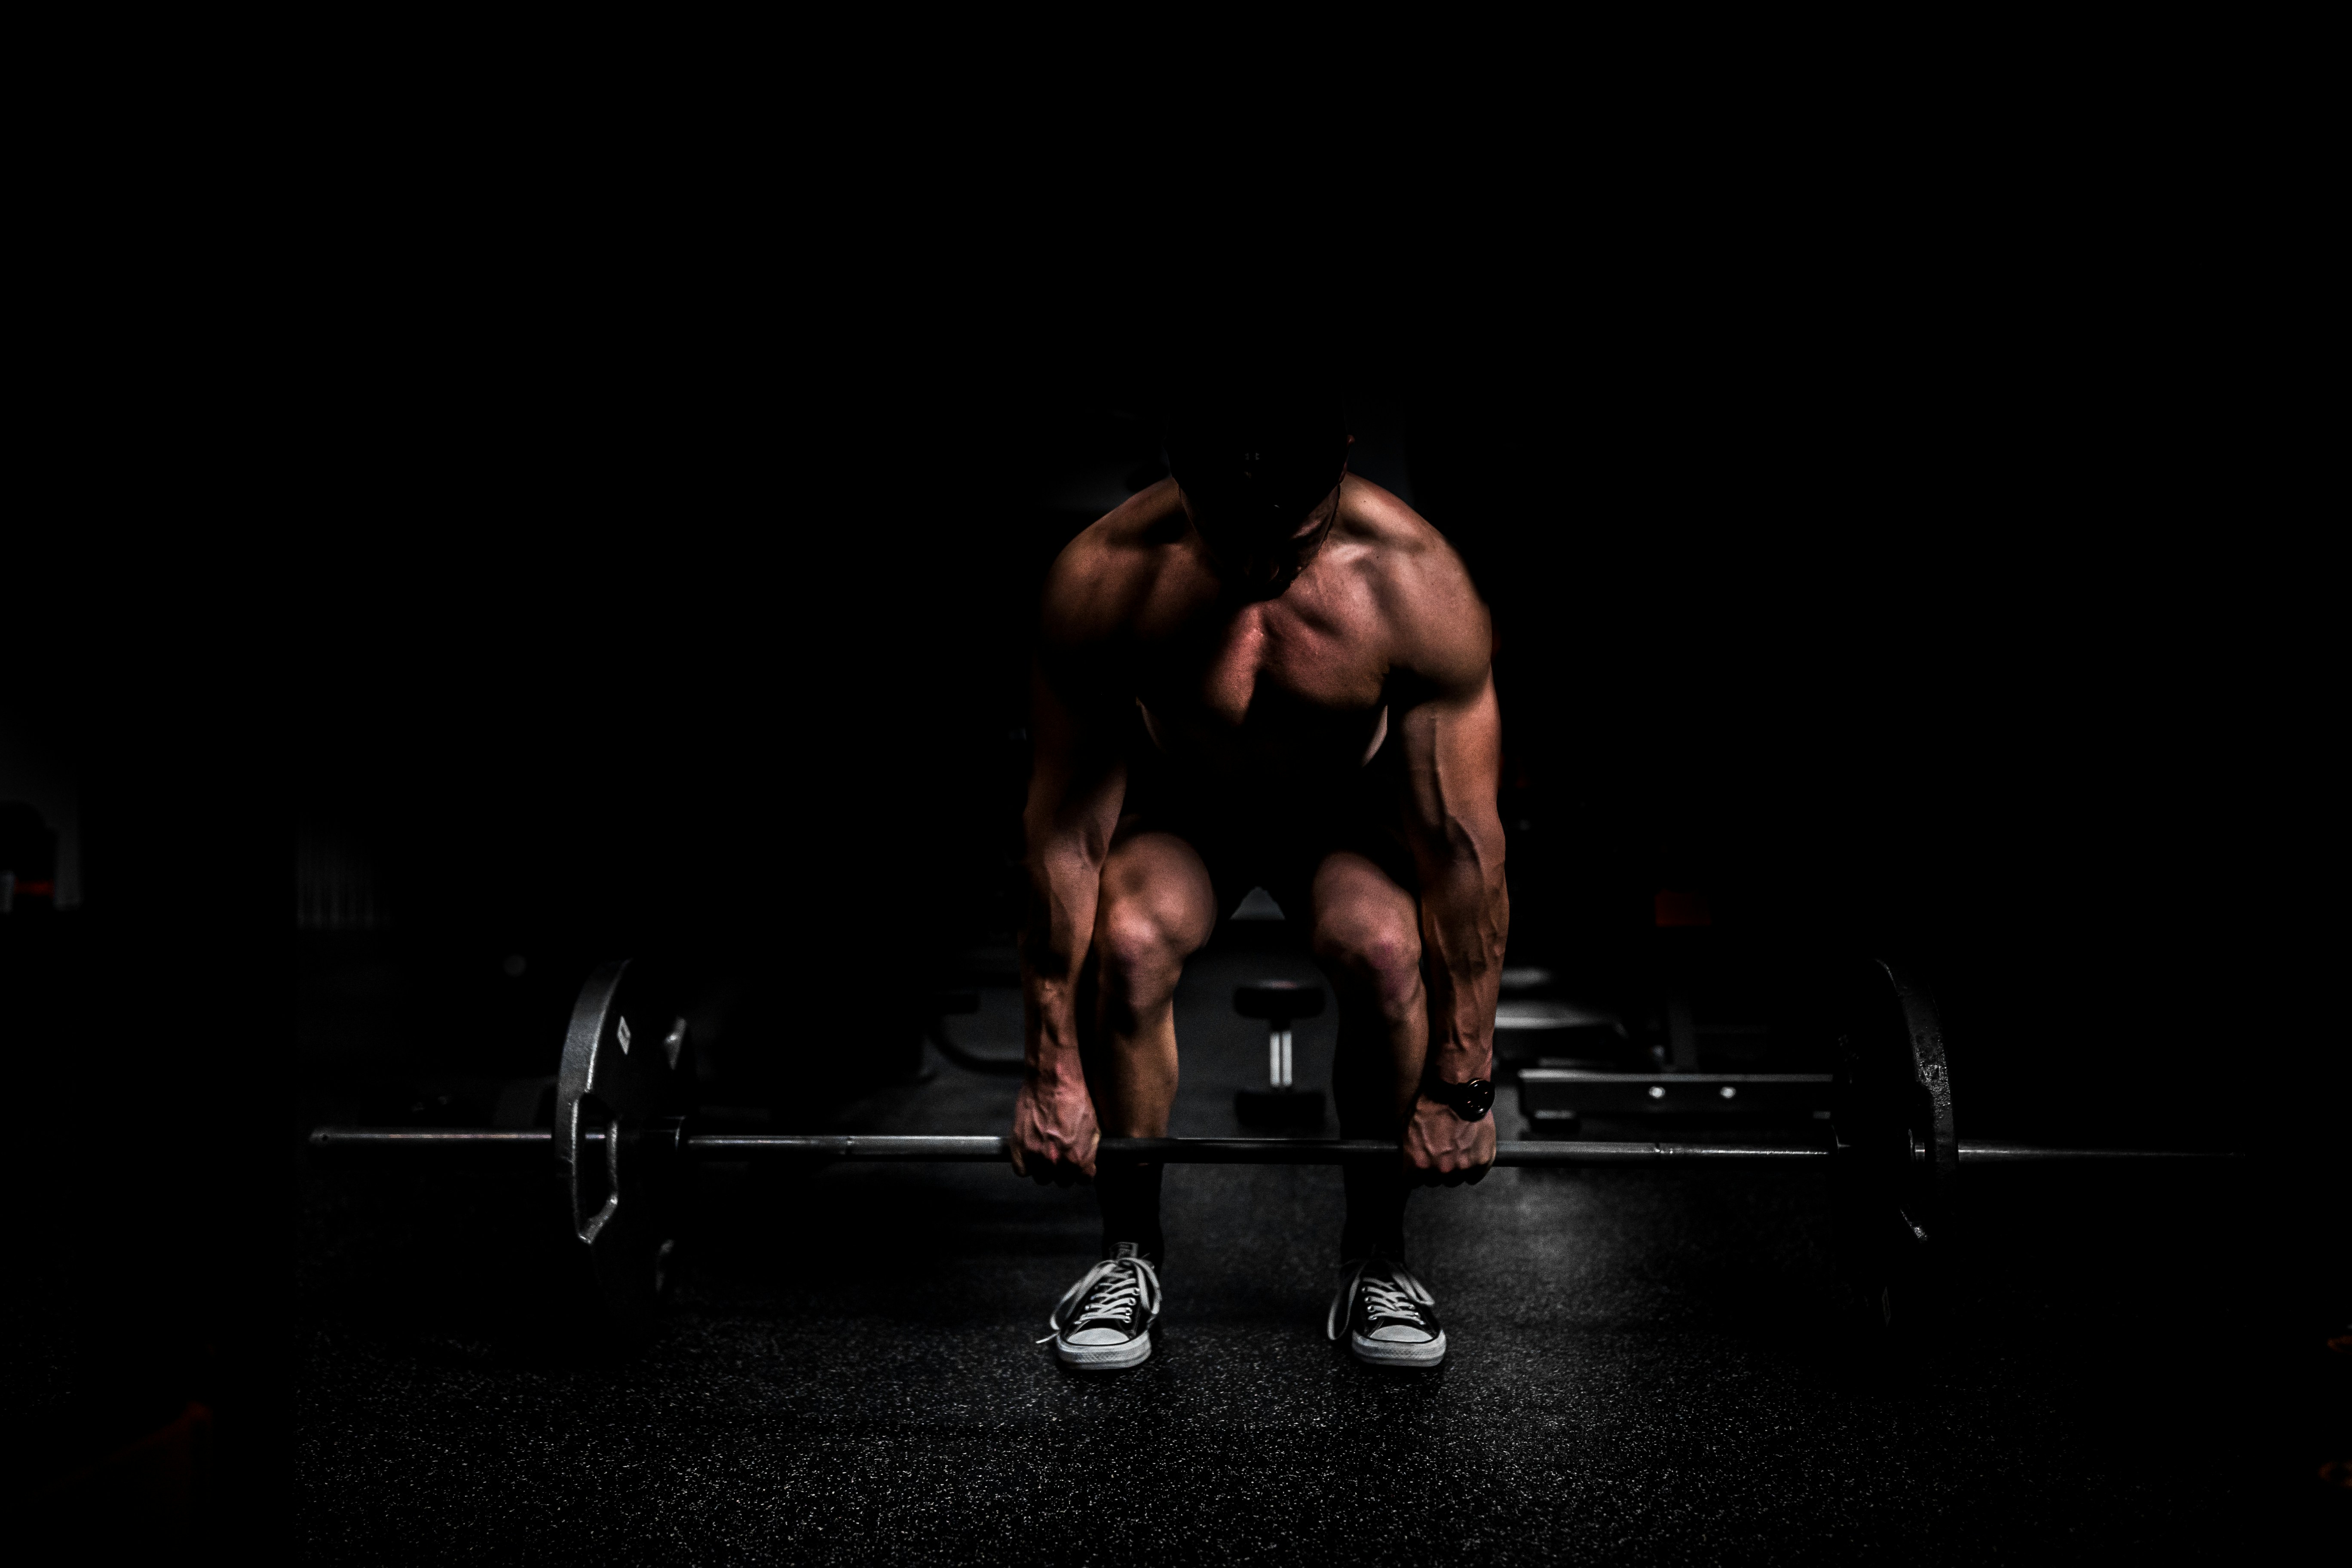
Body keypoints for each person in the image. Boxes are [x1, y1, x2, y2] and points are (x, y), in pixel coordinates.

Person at [1011, 377, 1509, 1370]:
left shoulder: (1415, 584)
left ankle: (1377, 1260)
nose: (1257, 567)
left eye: (1293, 537)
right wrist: (1050, 1072)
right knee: (1129, 941)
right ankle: (1126, 1255)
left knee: (1384, 950)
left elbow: (1460, 850)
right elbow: (1064, 836)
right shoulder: (1106, 577)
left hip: (1344, 816)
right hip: (1188, 811)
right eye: (1227, 535)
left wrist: (1462, 1089)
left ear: (1342, 464)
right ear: (1176, 475)